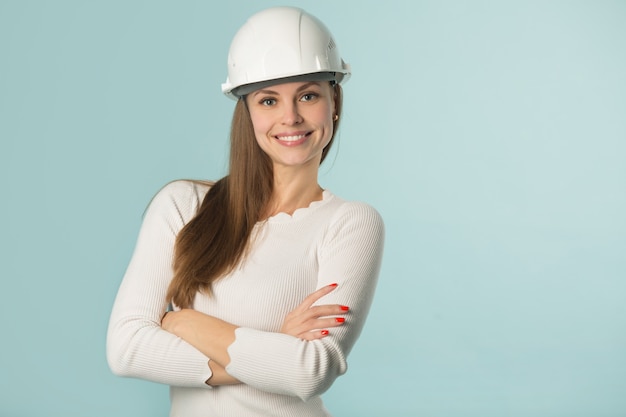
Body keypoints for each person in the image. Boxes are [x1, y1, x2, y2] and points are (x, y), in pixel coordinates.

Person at [107, 6, 384, 417]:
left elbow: (310, 371)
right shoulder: (183, 206)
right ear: (247, 111)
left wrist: (184, 323)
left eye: (308, 95)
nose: (290, 117)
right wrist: (275, 346)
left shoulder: (351, 223)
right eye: (268, 99)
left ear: (334, 101)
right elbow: (126, 349)